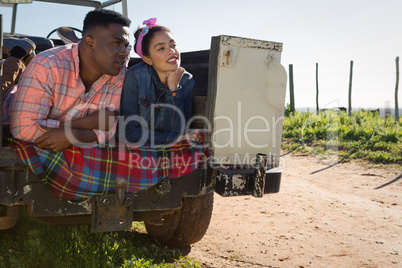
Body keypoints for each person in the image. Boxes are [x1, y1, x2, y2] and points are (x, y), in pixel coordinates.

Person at [10, 9, 131, 152]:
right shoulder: (47, 65)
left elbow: (109, 130)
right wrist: (87, 124)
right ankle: (19, 56)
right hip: (9, 115)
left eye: (126, 45)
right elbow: (23, 129)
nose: (125, 52)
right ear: (90, 42)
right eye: (117, 43)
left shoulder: (119, 74)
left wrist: (73, 135)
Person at [120, 18, 200, 145]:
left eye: (173, 45)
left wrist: (174, 90)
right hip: (138, 148)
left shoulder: (186, 80)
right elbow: (129, 132)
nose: (171, 51)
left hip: (167, 150)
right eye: (161, 48)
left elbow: (179, 131)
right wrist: (173, 138)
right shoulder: (136, 76)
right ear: (147, 59)